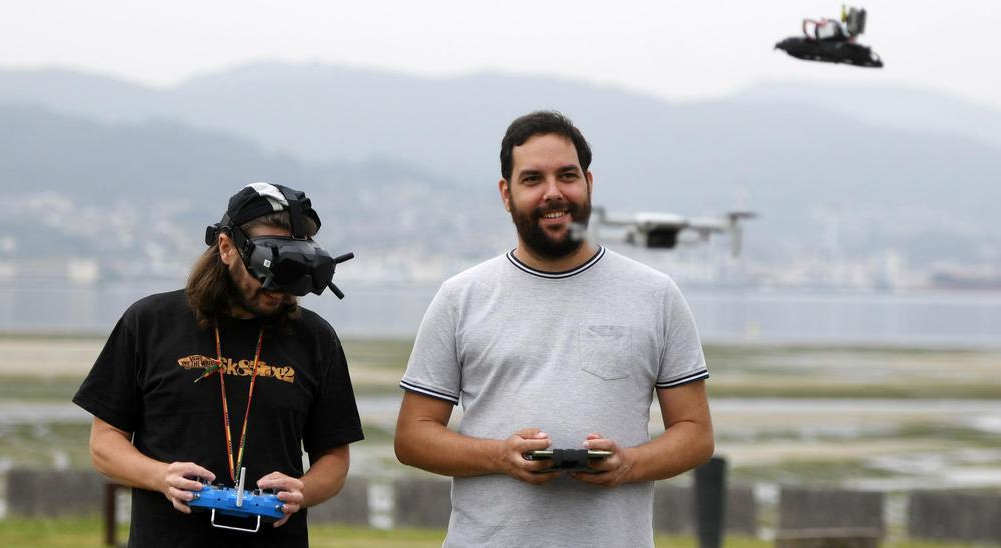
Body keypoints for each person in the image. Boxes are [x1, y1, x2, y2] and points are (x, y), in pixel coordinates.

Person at [394, 111, 714, 547]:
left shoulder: (655, 294)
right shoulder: (460, 296)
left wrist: (629, 463)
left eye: (567, 175)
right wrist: (500, 456)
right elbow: (413, 437)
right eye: (532, 180)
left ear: (589, 184)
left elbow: (696, 433)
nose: (553, 193)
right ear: (506, 194)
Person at [74, 182, 364, 546]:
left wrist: (303, 490)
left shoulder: (316, 340)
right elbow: (104, 445)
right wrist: (160, 476)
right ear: (226, 247)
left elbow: (335, 458)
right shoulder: (149, 323)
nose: (276, 288)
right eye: (267, 266)